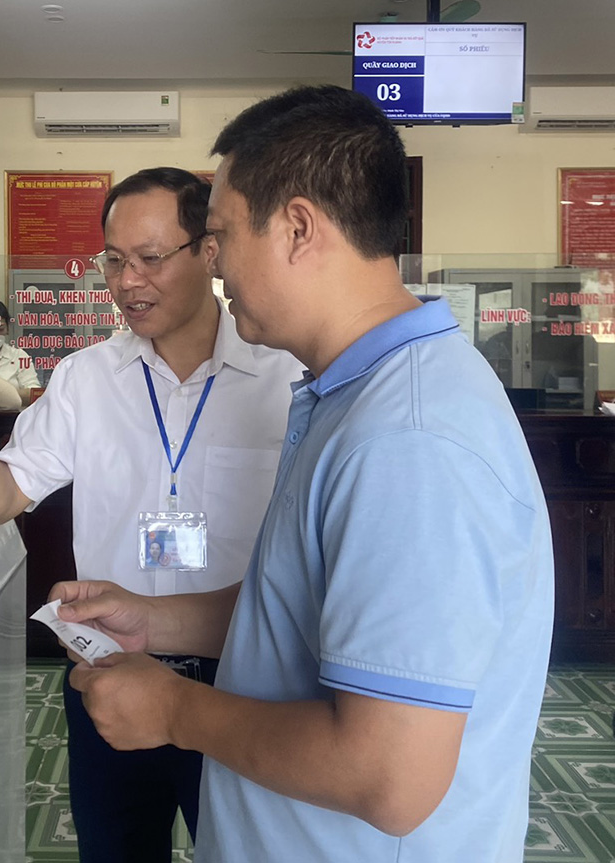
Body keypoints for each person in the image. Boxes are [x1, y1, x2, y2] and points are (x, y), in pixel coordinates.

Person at [50, 86, 555, 862]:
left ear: (295, 229)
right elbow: (309, 615)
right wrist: (158, 620)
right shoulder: (352, 394)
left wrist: (176, 709)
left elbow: (388, 773)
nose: (214, 266)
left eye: (218, 236)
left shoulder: (408, 441)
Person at [0, 167, 301, 863]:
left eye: (150, 258)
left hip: (243, 681)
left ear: (209, 251)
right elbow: (4, 495)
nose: (126, 282)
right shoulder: (86, 378)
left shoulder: (283, 377)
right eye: (113, 260)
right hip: (110, 671)